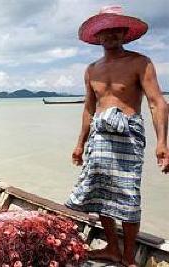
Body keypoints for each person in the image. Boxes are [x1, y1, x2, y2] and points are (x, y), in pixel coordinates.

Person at [65, 6, 169, 267]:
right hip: (99, 137)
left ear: (124, 33)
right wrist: (80, 144)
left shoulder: (140, 62)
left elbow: (157, 103)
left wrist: (162, 143)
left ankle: (129, 256)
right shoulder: (91, 69)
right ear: (98, 36)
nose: (110, 34)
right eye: (105, 30)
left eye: (115, 29)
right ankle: (112, 248)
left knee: (129, 194)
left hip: (128, 134)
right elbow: (89, 108)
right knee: (100, 192)